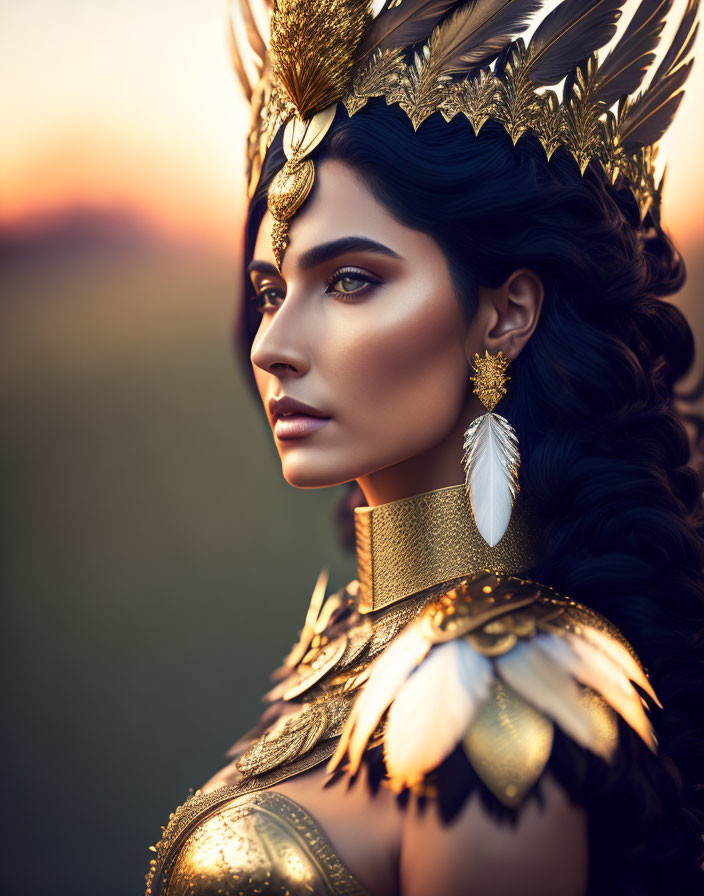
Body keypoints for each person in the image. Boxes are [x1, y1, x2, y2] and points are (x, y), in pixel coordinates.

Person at [145, 1, 704, 893]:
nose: (270, 344)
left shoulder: (504, 682)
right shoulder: (350, 634)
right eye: (268, 288)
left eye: (352, 281)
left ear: (503, 313)